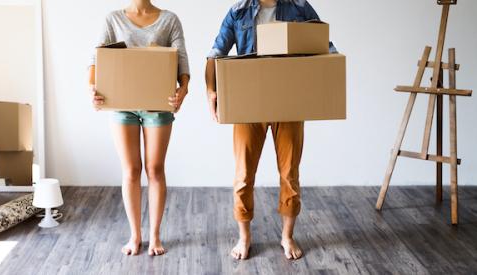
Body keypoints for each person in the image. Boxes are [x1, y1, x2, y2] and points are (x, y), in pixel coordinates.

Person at [205, 0, 336, 260]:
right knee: (243, 174)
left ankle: (287, 237)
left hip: (288, 102)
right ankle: (244, 238)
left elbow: (325, 47)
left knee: (289, 173)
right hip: (248, 103)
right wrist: (211, 91)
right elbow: (215, 53)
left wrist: (329, 78)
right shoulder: (238, 11)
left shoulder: (299, 8)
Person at [87, 0, 190, 256]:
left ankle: (155, 236)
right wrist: (92, 89)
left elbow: (182, 61)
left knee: (155, 169)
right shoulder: (113, 19)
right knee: (131, 170)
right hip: (123, 106)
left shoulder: (169, 20)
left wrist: (183, 91)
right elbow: (96, 60)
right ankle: (135, 235)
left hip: (158, 104)